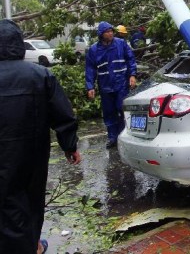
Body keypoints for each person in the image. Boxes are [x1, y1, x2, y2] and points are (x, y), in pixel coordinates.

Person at [0, 19, 81, 253]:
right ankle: (31, 245)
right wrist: (70, 146)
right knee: (31, 200)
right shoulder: (40, 75)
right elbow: (62, 115)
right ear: (19, 44)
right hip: (31, 154)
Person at [86, 21, 137, 148]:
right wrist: (90, 86)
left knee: (121, 109)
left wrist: (132, 75)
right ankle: (112, 137)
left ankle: (123, 135)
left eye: (111, 31)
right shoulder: (94, 50)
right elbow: (90, 69)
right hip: (105, 86)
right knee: (109, 112)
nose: (111, 34)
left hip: (121, 84)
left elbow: (130, 59)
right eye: (107, 32)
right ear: (101, 34)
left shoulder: (121, 44)